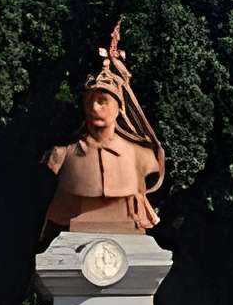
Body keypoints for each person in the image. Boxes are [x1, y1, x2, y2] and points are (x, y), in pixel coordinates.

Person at [41, 28, 166, 240]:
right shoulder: (62, 156)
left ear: (119, 108)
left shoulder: (141, 155)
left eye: (103, 101)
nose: (95, 108)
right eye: (90, 102)